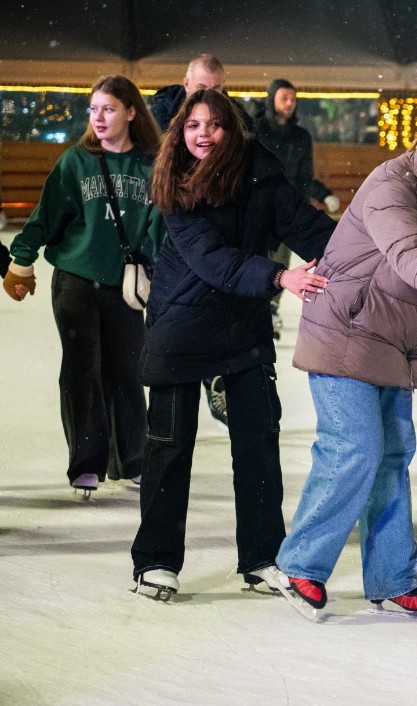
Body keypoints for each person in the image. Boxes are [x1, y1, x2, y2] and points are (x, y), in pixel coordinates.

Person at [276, 89, 417, 617]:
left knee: (394, 454)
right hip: (346, 333)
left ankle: (391, 576)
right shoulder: (390, 185)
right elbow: (411, 253)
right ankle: (301, 564)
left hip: (396, 343)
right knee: (354, 447)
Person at [130, 89, 336, 600]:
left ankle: (262, 556)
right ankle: (155, 560)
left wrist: (373, 249)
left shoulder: (262, 175)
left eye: (214, 124)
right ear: (181, 132)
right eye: (193, 125)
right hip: (181, 325)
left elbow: (308, 228)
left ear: (233, 130)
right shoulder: (175, 182)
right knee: (170, 446)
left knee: (258, 443)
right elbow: (212, 258)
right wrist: (279, 278)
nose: (203, 134)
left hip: (241, 328)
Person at [2, 76, 164, 496]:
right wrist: (21, 260)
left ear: (131, 111)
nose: (99, 117)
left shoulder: (150, 164)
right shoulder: (75, 161)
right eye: (93, 109)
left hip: (123, 284)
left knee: (128, 370)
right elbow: (46, 215)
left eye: (108, 108)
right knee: (81, 368)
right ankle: (85, 463)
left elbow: (161, 227)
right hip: (74, 277)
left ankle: (133, 459)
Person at [150, 53, 255, 427]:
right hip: (170, 246)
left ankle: (215, 380)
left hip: (215, 248)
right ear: (185, 84)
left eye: (217, 89)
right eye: (200, 87)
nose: (209, 95)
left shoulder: (238, 128)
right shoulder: (161, 124)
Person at [255, 79, 340, 339]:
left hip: (287, 209)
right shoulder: (258, 129)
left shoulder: (301, 137)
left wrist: (322, 194)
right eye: (284, 98)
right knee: (258, 255)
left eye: (293, 98)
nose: (290, 103)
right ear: (272, 100)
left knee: (281, 259)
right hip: (258, 205)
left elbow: (304, 176)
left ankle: (271, 308)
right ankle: (255, 306)